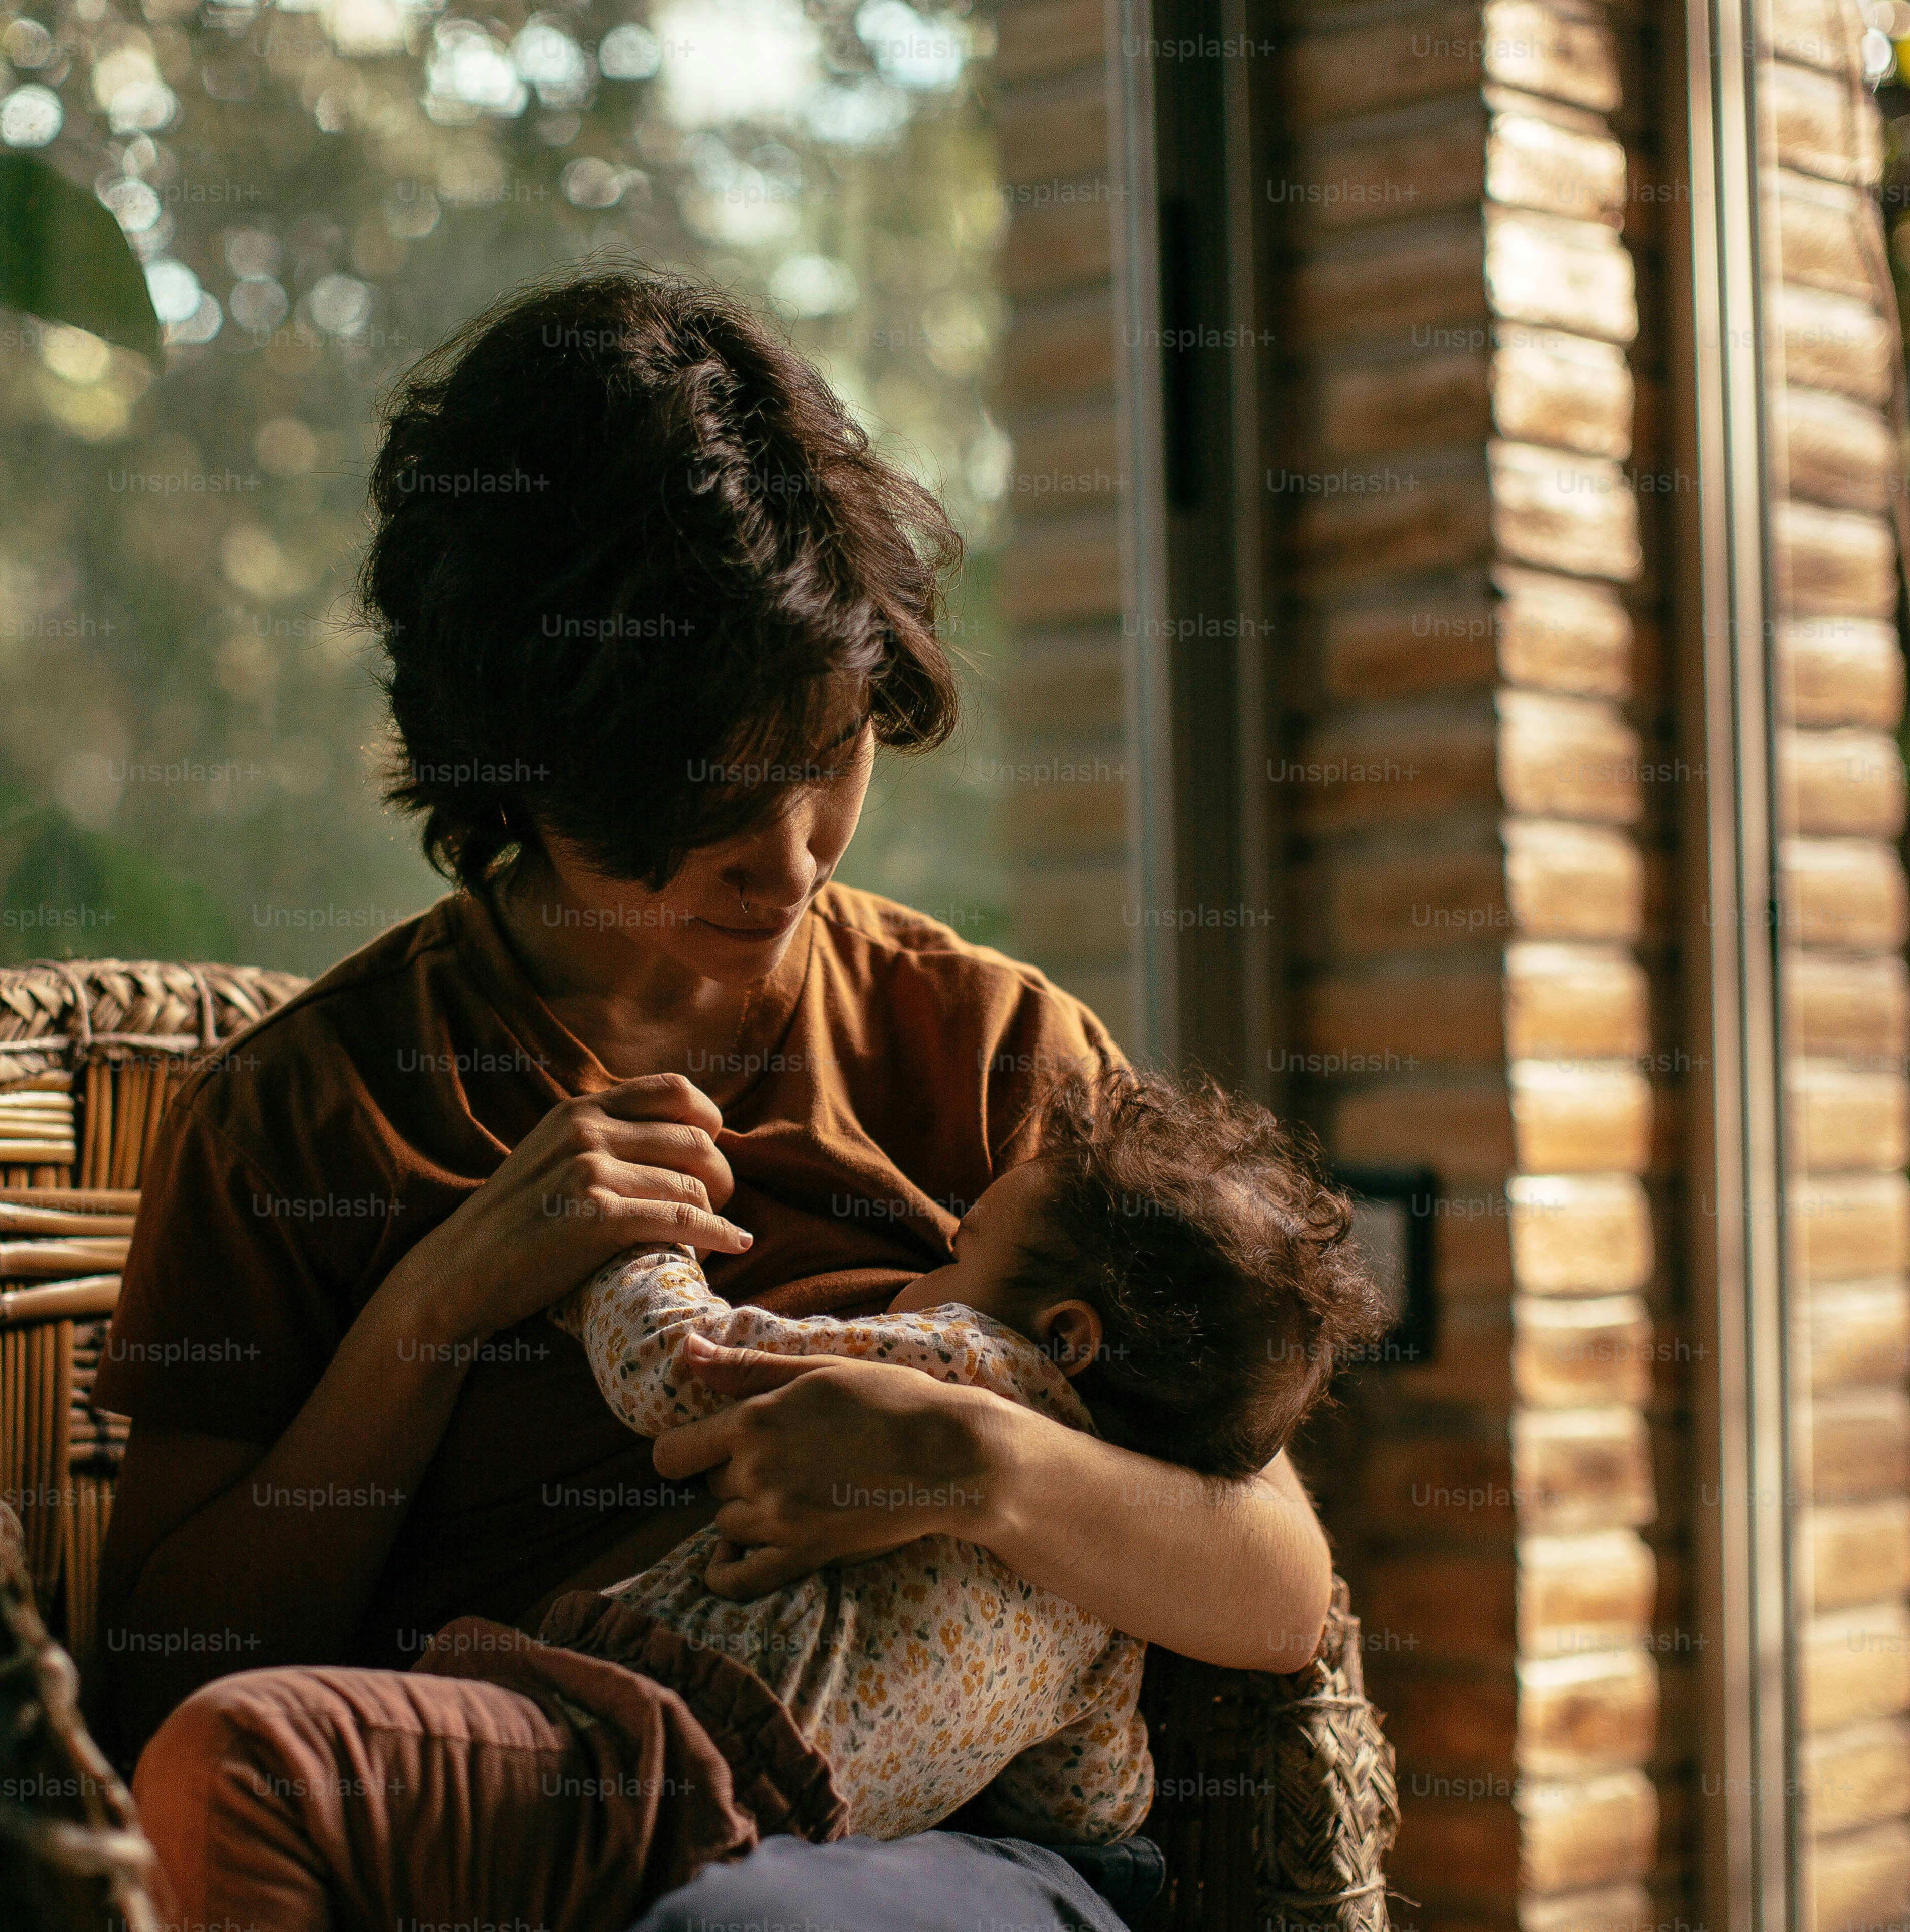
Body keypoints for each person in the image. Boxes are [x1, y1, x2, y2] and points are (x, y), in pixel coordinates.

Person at [89, 265, 1337, 1932]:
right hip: (500, 1820)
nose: (789, 855)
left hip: (947, 1860)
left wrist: (972, 1462)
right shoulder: (304, 1119)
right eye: (700, 800)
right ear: (517, 767)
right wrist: (437, 1308)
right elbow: (156, 1696)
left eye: (828, 751)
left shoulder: (992, 1053)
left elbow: (1278, 1593)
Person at [124, 1068, 1386, 1931]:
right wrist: (433, 1302)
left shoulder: (968, 1357)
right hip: (810, 1835)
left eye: (956, 1251)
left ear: (1064, 1334)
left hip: (645, 1760)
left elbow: (681, 1372)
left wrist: (627, 1245)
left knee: (249, 1759)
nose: (933, 1265)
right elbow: (1094, 1810)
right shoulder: (1112, 1626)